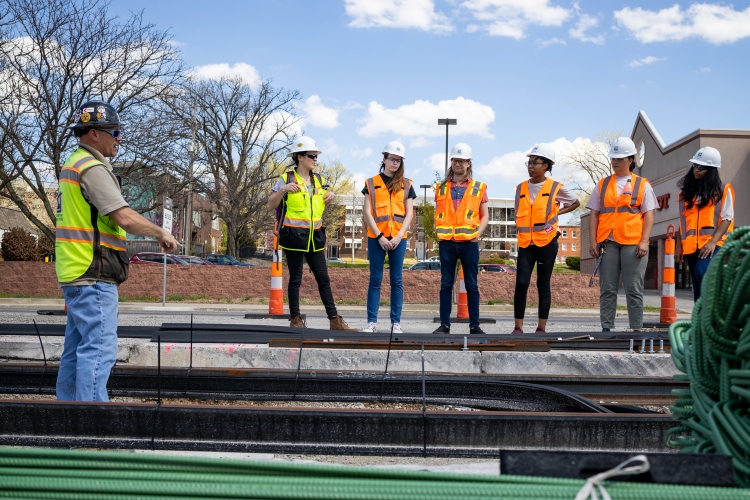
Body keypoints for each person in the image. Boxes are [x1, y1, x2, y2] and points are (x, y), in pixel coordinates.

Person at [56, 100, 180, 402]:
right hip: (94, 272)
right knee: (99, 349)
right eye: (114, 131)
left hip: (74, 271)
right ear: (94, 133)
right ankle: (93, 430)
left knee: (76, 350)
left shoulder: (72, 164)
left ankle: (68, 423)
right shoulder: (92, 167)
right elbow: (123, 216)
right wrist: (161, 232)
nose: (119, 137)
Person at [267, 136, 356, 331]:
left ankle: (334, 320)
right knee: (296, 280)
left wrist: (329, 198)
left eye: (316, 156)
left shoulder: (319, 180)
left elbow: (317, 207)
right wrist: (282, 191)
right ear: (299, 157)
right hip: (293, 237)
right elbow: (270, 205)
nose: (315, 159)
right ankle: (295, 319)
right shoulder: (286, 178)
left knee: (324, 279)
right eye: (311, 155)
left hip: (315, 239)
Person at [586, 137, 657, 332]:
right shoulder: (602, 184)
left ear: (630, 160)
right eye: (613, 158)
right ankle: (606, 329)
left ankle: (636, 330)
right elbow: (594, 213)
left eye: (619, 158)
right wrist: (593, 241)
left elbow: (649, 214)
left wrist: (644, 241)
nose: (615, 162)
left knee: (633, 289)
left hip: (633, 243)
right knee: (607, 289)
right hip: (608, 243)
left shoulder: (643, 185)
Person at [512, 143, 580, 334]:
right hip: (526, 241)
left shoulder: (555, 187)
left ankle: (541, 328)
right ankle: (518, 327)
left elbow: (575, 202)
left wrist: (556, 214)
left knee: (543, 283)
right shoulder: (520, 188)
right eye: (529, 162)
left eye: (535, 162)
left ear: (546, 166)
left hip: (547, 241)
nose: (530, 166)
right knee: (522, 283)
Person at [432, 143, 489, 335]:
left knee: (472, 284)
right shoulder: (440, 188)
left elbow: (485, 216)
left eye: (462, 160)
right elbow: (438, 213)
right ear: (451, 162)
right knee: (446, 284)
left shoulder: (478, 187)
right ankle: (445, 324)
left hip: (469, 244)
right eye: (455, 160)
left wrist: (476, 236)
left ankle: (474, 325)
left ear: (468, 163)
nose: (458, 164)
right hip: (447, 243)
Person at [361, 141, 416, 334]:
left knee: (397, 280)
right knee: (375, 280)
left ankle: (396, 323)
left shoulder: (407, 184)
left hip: (398, 239)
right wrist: (380, 236)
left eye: (399, 160)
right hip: (377, 238)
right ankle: (371, 322)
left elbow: (409, 214)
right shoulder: (371, 183)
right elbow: (367, 212)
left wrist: (399, 236)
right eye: (392, 159)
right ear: (384, 159)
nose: (395, 163)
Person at [675, 147, 734, 302]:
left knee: (703, 272)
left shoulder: (722, 190)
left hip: (714, 244)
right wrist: (679, 247)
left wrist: (712, 242)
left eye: (700, 167)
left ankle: (716, 307)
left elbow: (727, 218)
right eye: (695, 165)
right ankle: (700, 321)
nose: (696, 169)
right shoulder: (686, 194)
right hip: (691, 246)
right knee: (697, 284)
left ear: (711, 169)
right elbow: (682, 222)